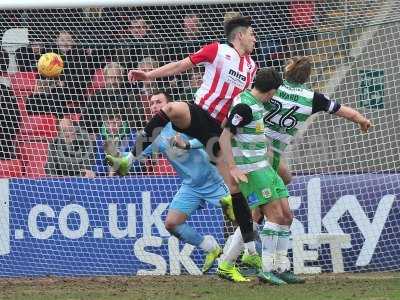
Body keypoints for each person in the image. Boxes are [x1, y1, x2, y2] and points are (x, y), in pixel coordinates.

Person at [111, 17, 261, 274]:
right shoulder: (217, 50)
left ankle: (251, 253)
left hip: (216, 129)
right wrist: (148, 74)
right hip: (197, 112)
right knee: (169, 109)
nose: (254, 38)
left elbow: (242, 102)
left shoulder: (251, 68)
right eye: (252, 34)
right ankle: (128, 159)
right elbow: (181, 65)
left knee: (235, 191)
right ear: (240, 36)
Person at [226, 56, 372, 282]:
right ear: (308, 77)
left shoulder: (272, 88)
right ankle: (253, 264)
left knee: (270, 212)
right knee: (270, 211)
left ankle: (257, 263)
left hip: (260, 151)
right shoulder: (312, 98)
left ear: (287, 70)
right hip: (261, 158)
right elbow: (345, 111)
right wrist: (361, 119)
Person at [107, 90, 234, 273]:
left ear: (169, 104)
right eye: (151, 103)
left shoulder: (183, 121)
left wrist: (187, 144)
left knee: (239, 218)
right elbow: (135, 156)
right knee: (172, 224)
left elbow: (209, 137)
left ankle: (253, 259)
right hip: (190, 186)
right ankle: (211, 247)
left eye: (158, 101)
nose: (154, 106)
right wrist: (118, 159)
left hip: (213, 179)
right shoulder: (154, 134)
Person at [217, 67, 302, 285]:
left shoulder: (255, 104)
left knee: (286, 217)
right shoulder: (244, 106)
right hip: (251, 170)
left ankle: (281, 268)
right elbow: (224, 138)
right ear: (272, 91)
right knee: (274, 217)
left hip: (264, 167)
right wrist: (234, 168)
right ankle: (267, 269)